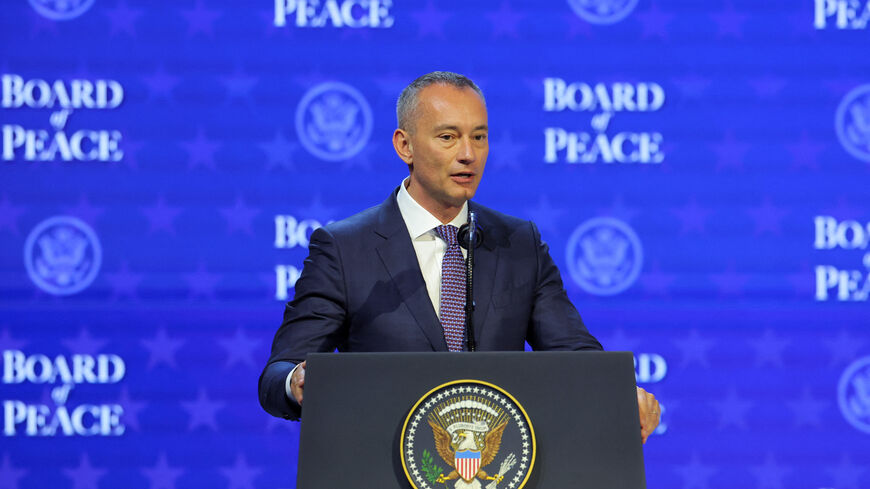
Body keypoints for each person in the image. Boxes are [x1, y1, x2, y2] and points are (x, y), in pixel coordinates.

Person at [258, 71, 660, 442]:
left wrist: (617, 395)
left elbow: (576, 357)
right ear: (405, 145)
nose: (468, 154)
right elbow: (277, 375)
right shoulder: (344, 247)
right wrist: (298, 381)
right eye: (448, 137)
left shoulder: (519, 243)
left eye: (479, 137)